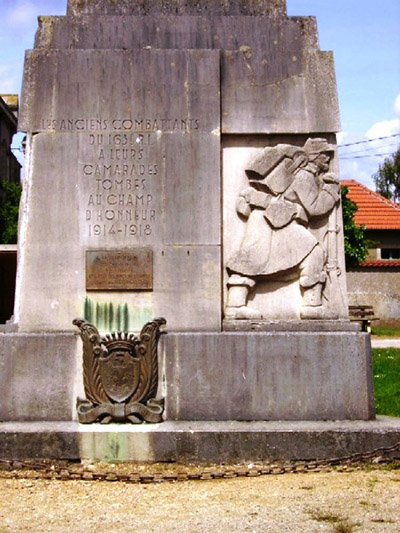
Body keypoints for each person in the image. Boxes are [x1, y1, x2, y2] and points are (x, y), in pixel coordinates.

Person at [225, 138, 340, 320]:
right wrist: (331, 191)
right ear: (315, 156)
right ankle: (311, 305)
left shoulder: (304, 174)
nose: (328, 159)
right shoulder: (304, 176)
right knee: (312, 253)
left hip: (271, 220)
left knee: (254, 257)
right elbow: (315, 207)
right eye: (325, 155)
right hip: (275, 222)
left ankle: (235, 305)